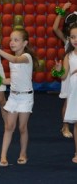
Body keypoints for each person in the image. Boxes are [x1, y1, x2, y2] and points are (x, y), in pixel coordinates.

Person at [0, 29, 38, 167]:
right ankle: (3, 156)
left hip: (26, 98)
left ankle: (23, 153)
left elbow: (16, 59)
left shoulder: (26, 57)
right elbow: (13, 80)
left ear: (25, 43)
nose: (12, 42)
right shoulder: (11, 60)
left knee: (22, 127)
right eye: (11, 39)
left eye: (16, 40)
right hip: (14, 97)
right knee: (9, 126)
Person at [54, 23, 77, 163]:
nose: (75, 39)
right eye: (73, 37)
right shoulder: (68, 56)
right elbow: (63, 76)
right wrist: (58, 70)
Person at [53, 2, 76, 138]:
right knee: (68, 100)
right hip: (68, 76)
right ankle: (65, 126)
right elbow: (55, 28)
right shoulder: (67, 41)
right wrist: (62, 11)